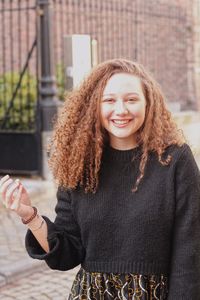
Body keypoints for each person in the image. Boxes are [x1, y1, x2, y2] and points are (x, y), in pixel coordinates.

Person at [0, 58, 200, 299]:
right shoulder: (79, 162)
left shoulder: (174, 159)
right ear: (94, 105)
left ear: (149, 103)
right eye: (109, 100)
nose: (121, 110)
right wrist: (29, 215)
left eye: (131, 99)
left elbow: (190, 251)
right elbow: (67, 254)